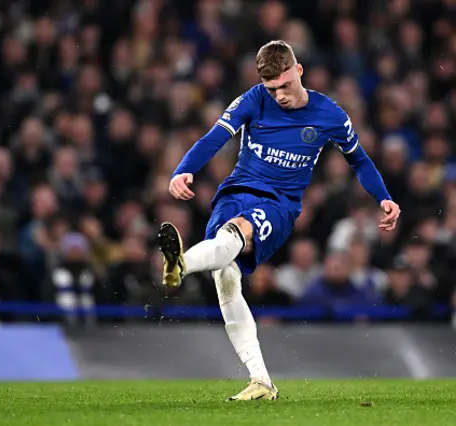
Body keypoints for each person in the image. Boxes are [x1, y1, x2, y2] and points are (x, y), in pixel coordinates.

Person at [157, 41, 401, 401]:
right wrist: (183, 171)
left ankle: (181, 262)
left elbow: (359, 161)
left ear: (298, 71)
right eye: (272, 88)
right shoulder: (253, 100)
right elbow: (214, 138)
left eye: (285, 85)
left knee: (236, 233)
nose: (280, 95)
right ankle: (262, 382)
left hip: (279, 202)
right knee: (226, 277)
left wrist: (384, 197)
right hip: (235, 191)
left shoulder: (328, 114)